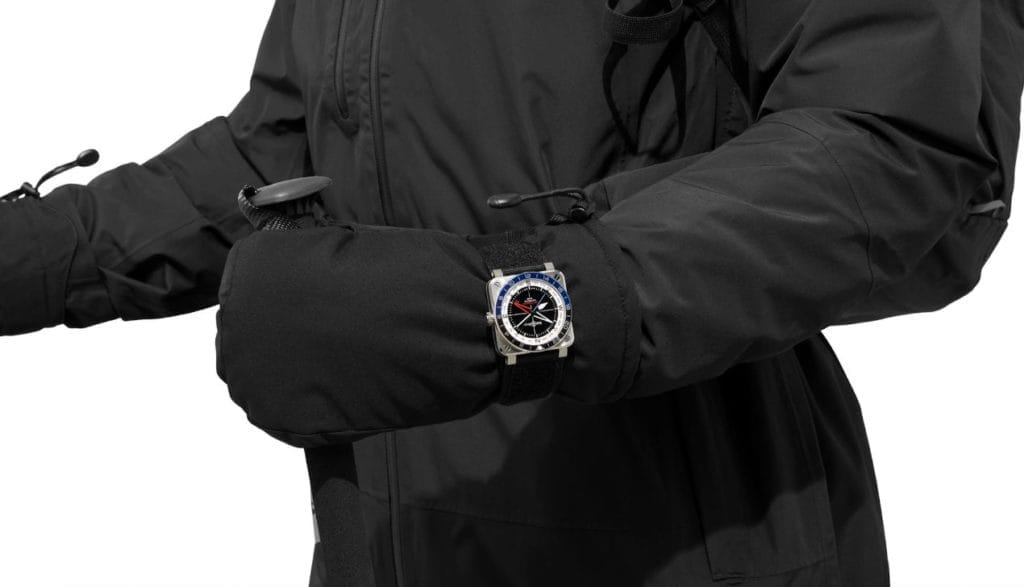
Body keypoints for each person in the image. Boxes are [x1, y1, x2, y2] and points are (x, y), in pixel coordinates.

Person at [2, 0, 1022, 585]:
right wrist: (48, 251)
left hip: (682, 541)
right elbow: (291, 138)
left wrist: (506, 305)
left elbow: (894, 141)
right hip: (392, 534)